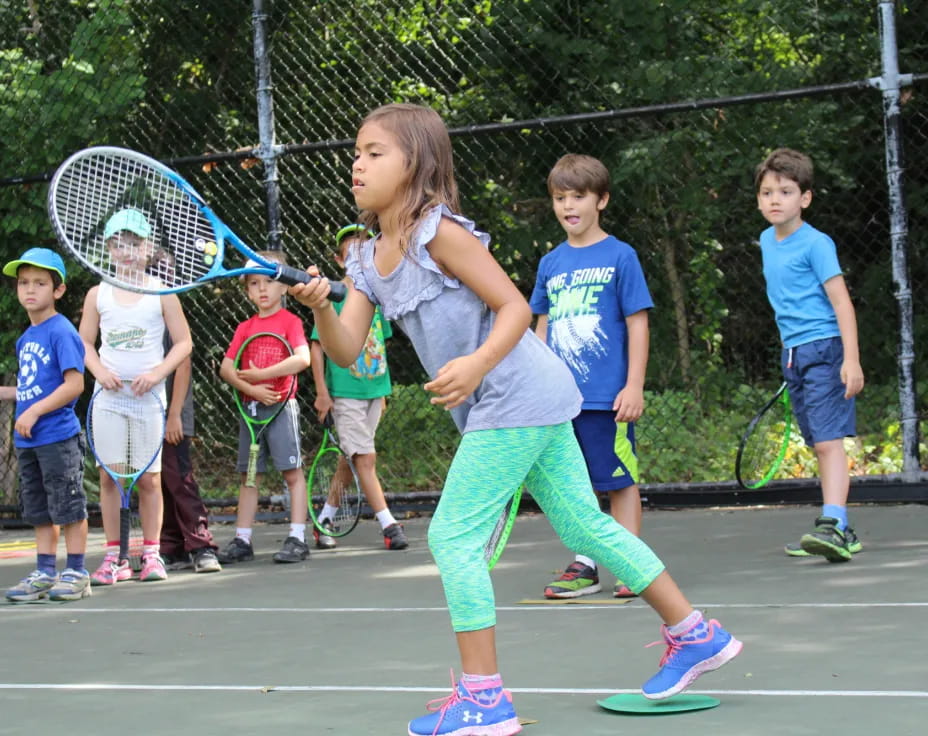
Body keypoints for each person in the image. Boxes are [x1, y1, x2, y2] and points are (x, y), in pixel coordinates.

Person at [289, 103, 742, 735]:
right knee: (586, 527)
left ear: (414, 163)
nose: (357, 164)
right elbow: (344, 349)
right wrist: (319, 308)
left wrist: (474, 366)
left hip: (516, 392)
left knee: (450, 538)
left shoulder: (440, 233)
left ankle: (484, 697)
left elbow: (509, 306)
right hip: (525, 397)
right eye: (356, 153)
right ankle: (696, 635)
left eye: (373, 153)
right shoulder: (364, 259)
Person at [529, 153, 652, 600]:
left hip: (608, 398)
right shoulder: (551, 264)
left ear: (601, 200)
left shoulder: (622, 256)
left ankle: (632, 561)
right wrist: (538, 386)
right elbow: (541, 326)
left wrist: (633, 385)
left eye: (578, 196)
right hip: (562, 401)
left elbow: (638, 323)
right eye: (560, 198)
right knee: (572, 486)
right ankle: (585, 563)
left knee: (618, 480)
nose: (568, 206)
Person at [755, 148, 865, 562]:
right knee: (819, 439)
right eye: (767, 192)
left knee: (827, 442)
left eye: (785, 191)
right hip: (794, 354)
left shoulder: (817, 244)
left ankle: (834, 524)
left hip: (826, 348)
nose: (774, 200)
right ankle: (840, 528)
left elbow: (841, 303)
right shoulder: (767, 240)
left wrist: (850, 359)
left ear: (805, 198)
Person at [79, 208, 193, 585]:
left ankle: (151, 555)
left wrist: (156, 374)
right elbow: (84, 345)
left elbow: (183, 344)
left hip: (149, 401)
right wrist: (100, 373)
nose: (126, 251)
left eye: (134, 243)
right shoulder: (98, 293)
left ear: (148, 248)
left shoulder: (162, 293)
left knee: (148, 480)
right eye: (118, 244)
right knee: (110, 479)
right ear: (109, 249)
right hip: (109, 400)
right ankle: (114, 557)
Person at [308, 224, 408, 551]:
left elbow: (382, 344)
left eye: (364, 251)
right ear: (339, 260)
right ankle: (389, 525)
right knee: (364, 459)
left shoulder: (376, 298)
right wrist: (323, 392)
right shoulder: (332, 296)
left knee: (350, 460)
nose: (358, 258)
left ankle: (324, 519)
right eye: (350, 253)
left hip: (374, 393)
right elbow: (317, 346)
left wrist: (382, 391)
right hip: (345, 393)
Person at [1, 248, 90, 602]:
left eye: (40, 282)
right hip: (29, 442)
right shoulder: (26, 339)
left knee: (68, 507)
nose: (30, 290)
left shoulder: (61, 331)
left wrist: (34, 412)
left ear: (58, 291)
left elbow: (74, 384)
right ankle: (45, 571)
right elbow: (32, 386)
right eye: (23, 283)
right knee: (39, 511)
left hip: (58, 438)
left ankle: (78, 571)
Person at [216, 250, 313, 565]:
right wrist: (252, 388)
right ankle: (242, 540)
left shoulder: (291, 321)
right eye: (254, 283)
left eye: (270, 281)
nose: (262, 289)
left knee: (292, 473)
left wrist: (264, 376)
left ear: (284, 286)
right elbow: (226, 369)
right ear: (247, 290)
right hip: (251, 412)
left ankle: (297, 537)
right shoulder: (244, 327)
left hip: (282, 409)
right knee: (249, 477)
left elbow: (302, 358)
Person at [159, 333, 222, 573]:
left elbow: (183, 361)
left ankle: (201, 545)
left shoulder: (166, 304)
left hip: (171, 415)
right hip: (140, 413)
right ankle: (170, 546)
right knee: (156, 483)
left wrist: (174, 414)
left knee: (179, 479)